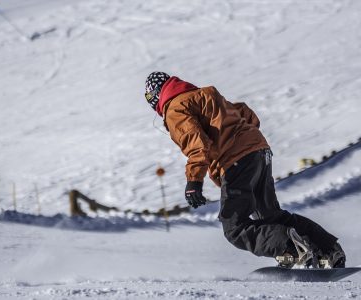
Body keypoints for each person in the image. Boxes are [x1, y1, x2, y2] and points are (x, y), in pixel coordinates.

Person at [144, 71, 346, 268]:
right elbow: (244, 112)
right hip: (259, 151)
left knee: (234, 227)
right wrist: (245, 138)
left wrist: (194, 182)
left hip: (236, 160)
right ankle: (329, 250)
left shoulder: (175, 108)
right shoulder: (205, 95)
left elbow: (197, 145)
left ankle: (293, 249)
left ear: (155, 96)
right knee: (270, 216)